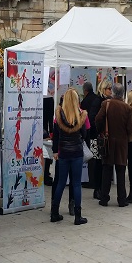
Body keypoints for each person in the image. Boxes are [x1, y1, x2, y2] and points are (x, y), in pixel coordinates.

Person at [51, 88, 88, 225]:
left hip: (63, 152)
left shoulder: (59, 115)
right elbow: (84, 134)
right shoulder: (81, 115)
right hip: (77, 152)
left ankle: (54, 212)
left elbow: (55, 136)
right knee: (76, 184)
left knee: (61, 182)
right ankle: (78, 216)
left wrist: (55, 151)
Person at [95, 83, 132, 207]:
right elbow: (130, 128)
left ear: (113, 93)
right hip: (122, 143)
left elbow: (98, 119)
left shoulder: (106, 104)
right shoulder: (127, 108)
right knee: (121, 170)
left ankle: (104, 198)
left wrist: (102, 131)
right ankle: (121, 199)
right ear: (122, 94)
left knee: (107, 169)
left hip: (108, 140)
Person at [90, 79, 112, 200]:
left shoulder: (108, 101)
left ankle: (101, 188)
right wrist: (99, 130)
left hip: (104, 137)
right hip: (98, 138)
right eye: (109, 88)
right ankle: (97, 189)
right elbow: (93, 118)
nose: (111, 91)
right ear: (103, 89)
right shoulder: (98, 101)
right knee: (98, 164)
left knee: (103, 164)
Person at [80, 82, 101, 191]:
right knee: (95, 157)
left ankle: (91, 180)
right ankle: (94, 180)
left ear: (85, 91)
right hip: (97, 132)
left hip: (89, 132)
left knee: (91, 156)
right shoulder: (97, 99)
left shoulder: (84, 102)